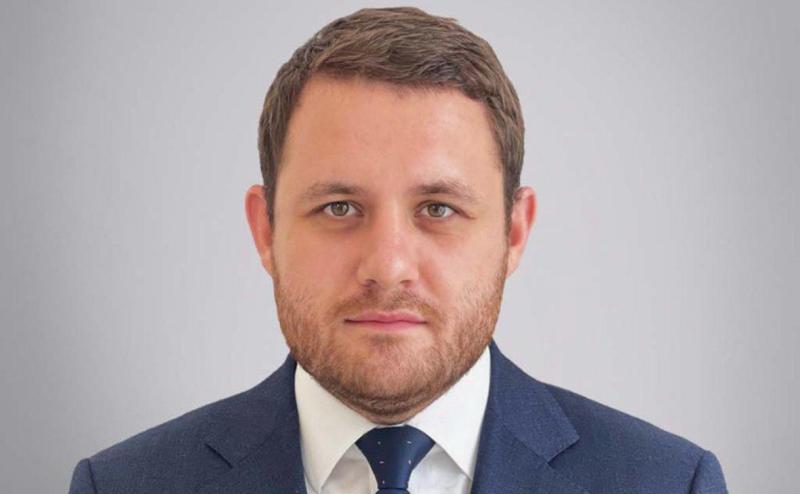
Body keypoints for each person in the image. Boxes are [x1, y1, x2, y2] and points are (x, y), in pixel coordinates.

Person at [68, 7, 728, 493]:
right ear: (265, 230)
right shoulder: (122, 486)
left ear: (514, 233)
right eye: (339, 207)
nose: (387, 267)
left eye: (438, 209)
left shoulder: (669, 484)